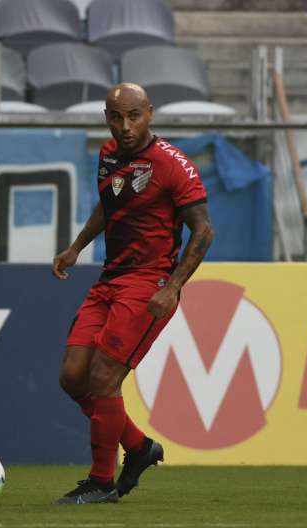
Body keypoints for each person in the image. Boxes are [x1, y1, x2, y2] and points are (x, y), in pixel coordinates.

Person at [50, 83, 214, 505]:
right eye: (116, 117)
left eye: (134, 116)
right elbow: (110, 204)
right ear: (107, 117)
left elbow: (204, 229)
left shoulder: (173, 165)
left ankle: (102, 482)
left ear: (150, 113)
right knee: (73, 377)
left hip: (149, 283)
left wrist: (173, 287)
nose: (125, 126)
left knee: (104, 378)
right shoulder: (107, 156)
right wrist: (75, 247)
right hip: (110, 279)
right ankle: (139, 448)